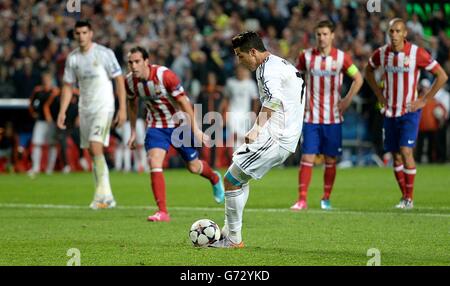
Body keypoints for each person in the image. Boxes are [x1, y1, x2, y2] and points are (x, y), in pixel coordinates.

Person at [209, 31, 306, 248]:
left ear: (253, 52)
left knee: (231, 179)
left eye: (240, 55)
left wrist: (256, 128)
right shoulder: (281, 64)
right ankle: (229, 232)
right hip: (284, 136)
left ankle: (233, 238)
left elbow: (273, 99)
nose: (239, 61)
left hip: (275, 136)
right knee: (238, 178)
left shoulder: (267, 70)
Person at [125, 46, 225, 222]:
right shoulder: (130, 82)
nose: (133, 66)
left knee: (193, 167)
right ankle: (162, 212)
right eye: (130, 62)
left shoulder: (165, 76)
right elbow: (132, 105)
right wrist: (133, 132)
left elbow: (184, 103)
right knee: (154, 162)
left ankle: (214, 177)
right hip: (156, 126)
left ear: (146, 61)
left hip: (179, 124)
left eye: (137, 61)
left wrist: (196, 130)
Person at [365, 18, 448, 209]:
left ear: (405, 34)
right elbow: (368, 70)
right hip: (389, 111)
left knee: (406, 150)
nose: (394, 35)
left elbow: (441, 75)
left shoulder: (416, 53)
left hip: (410, 110)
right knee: (396, 156)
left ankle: (409, 198)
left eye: (397, 31)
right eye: (391, 31)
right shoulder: (382, 53)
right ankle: (404, 197)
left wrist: (424, 100)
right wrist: (378, 93)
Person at [290, 20, 363, 211]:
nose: (321, 38)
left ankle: (326, 198)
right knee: (308, 157)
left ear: (332, 35)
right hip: (311, 117)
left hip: (333, 118)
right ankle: (302, 200)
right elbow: (295, 78)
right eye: (318, 34)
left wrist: (347, 100)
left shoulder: (342, 58)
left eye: (325, 34)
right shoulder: (305, 57)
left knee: (330, 160)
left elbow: (358, 78)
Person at [57, 20, 127, 209]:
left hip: (104, 107)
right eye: (77, 33)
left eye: (84, 32)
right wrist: (63, 111)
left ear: (91, 34)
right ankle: (107, 197)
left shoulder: (104, 54)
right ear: (74, 35)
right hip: (85, 108)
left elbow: (119, 80)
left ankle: (101, 194)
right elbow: (68, 86)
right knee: (91, 150)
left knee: (96, 146)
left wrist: (122, 109)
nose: (81, 36)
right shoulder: (73, 59)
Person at [28, 71, 60, 177]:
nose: (46, 81)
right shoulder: (38, 91)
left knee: (52, 144)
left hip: (52, 122)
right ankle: (36, 167)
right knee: (37, 143)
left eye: (48, 79)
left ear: (51, 80)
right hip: (41, 121)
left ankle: (49, 169)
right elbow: (31, 103)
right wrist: (33, 113)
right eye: (44, 79)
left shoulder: (55, 91)